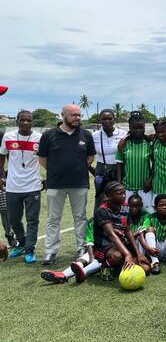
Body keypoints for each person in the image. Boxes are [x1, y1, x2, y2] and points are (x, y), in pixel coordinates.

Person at [38, 104, 96, 265]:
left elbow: (90, 156)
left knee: (80, 217)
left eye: (79, 115)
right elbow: (42, 159)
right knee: (53, 218)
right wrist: (57, 170)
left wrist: (78, 168)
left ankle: (81, 248)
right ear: (62, 115)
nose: (77, 118)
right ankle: (50, 251)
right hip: (55, 184)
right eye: (73, 115)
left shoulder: (86, 135)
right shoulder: (49, 135)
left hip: (79, 183)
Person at [0, 110, 42, 263]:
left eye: (29, 120)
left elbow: (45, 158)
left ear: (32, 122)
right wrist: (1, 176)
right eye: (22, 120)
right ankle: (22, 243)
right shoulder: (8, 136)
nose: (25, 123)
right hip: (12, 186)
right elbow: (2, 155)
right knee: (14, 219)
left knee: (32, 220)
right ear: (17, 121)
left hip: (33, 186)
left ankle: (30, 249)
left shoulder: (39, 137)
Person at [92, 181, 150, 281]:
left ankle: (118, 267)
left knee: (146, 268)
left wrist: (138, 253)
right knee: (117, 256)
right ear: (109, 196)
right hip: (105, 247)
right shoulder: (102, 211)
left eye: (124, 193)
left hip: (121, 245)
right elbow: (111, 235)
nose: (123, 196)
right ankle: (105, 266)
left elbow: (128, 230)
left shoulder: (126, 207)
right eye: (119, 194)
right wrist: (128, 254)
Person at [40, 218, 102, 283]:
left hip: (108, 252)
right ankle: (63, 275)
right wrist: (91, 256)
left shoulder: (111, 219)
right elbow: (90, 242)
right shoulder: (92, 221)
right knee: (84, 258)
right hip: (97, 249)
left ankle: (83, 273)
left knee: (101, 258)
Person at [115, 112, 153, 211]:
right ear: (130, 128)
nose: (138, 130)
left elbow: (155, 164)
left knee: (148, 215)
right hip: (127, 188)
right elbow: (119, 165)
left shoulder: (149, 144)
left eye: (141, 127)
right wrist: (119, 185)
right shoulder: (123, 145)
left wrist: (150, 179)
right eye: (134, 128)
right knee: (127, 215)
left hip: (145, 188)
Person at [91, 109, 127, 207]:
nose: (107, 121)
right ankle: (99, 220)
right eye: (104, 119)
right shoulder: (94, 136)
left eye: (109, 118)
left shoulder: (123, 134)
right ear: (100, 120)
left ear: (114, 120)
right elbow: (87, 154)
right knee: (101, 198)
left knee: (119, 197)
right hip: (102, 170)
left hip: (119, 169)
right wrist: (92, 170)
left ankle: (119, 221)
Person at [141, 194, 166, 274]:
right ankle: (155, 263)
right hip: (154, 248)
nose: (164, 207)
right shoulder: (150, 217)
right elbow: (142, 231)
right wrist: (147, 247)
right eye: (161, 205)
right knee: (149, 229)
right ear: (155, 207)